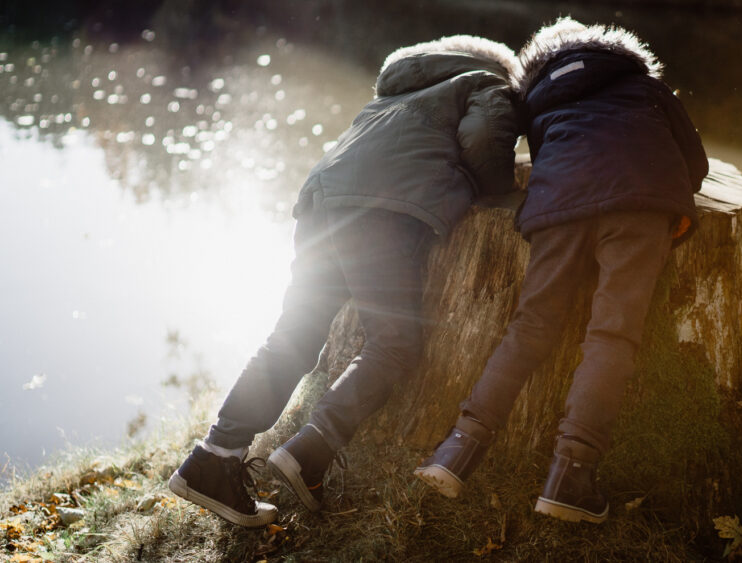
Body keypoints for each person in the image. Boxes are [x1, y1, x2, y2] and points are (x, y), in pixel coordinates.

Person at [168, 35, 519, 526]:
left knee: (294, 336)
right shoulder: (486, 80)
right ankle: (310, 450)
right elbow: (484, 135)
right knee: (394, 343)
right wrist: (502, 193)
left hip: (321, 200)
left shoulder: (399, 90)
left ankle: (213, 457)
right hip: (380, 211)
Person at [414, 18, 708, 524]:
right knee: (612, 335)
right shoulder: (646, 87)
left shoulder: (540, 99)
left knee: (530, 327)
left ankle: (458, 450)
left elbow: (552, 158)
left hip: (557, 212)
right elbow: (695, 164)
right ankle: (570, 475)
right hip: (639, 205)